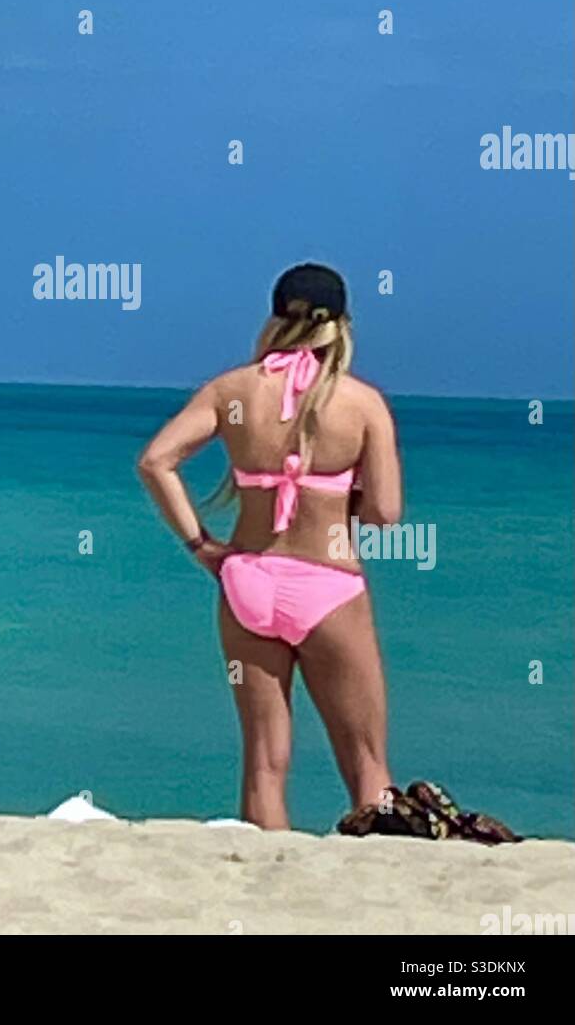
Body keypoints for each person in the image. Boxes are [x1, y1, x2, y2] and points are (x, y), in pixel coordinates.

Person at [137, 263, 402, 829]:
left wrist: (200, 544)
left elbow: (156, 461)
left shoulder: (231, 390)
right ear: (342, 325)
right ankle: (377, 874)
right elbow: (385, 512)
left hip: (248, 583)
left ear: (275, 316)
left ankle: (267, 883)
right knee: (367, 762)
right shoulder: (362, 404)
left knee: (263, 762)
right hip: (329, 588)